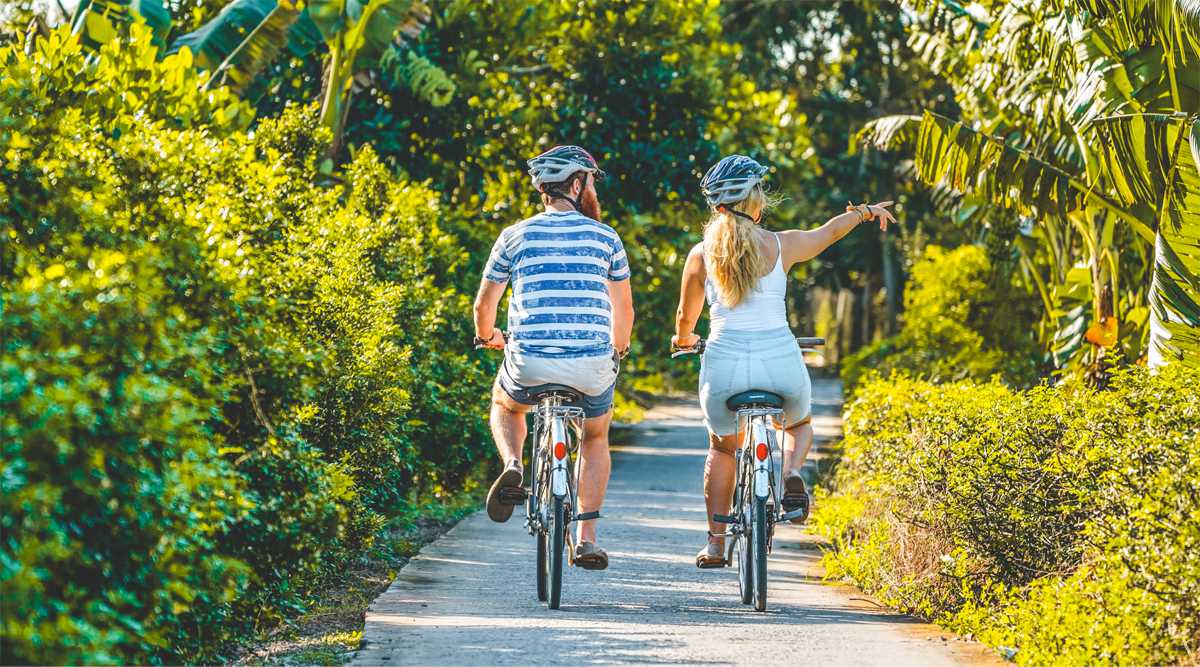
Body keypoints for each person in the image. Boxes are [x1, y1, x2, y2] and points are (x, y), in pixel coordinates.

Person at [671, 154, 895, 568]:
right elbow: (828, 233)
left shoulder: (700, 255)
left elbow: (687, 319)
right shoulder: (781, 244)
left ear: (716, 206)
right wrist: (864, 212)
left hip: (723, 367)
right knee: (798, 424)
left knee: (722, 451)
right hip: (781, 362)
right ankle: (791, 469)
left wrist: (684, 340)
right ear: (756, 201)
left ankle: (716, 543)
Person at [473, 145, 635, 571]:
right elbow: (624, 311)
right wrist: (617, 349)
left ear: (542, 189)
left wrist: (488, 337)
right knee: (596, 436)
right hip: (590, 365)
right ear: (578, 185)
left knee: (505, 405)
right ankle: (585, 537)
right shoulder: (607, 238)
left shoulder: (514, 234)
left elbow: (483, 307)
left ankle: (513, 463)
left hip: (528, 360)